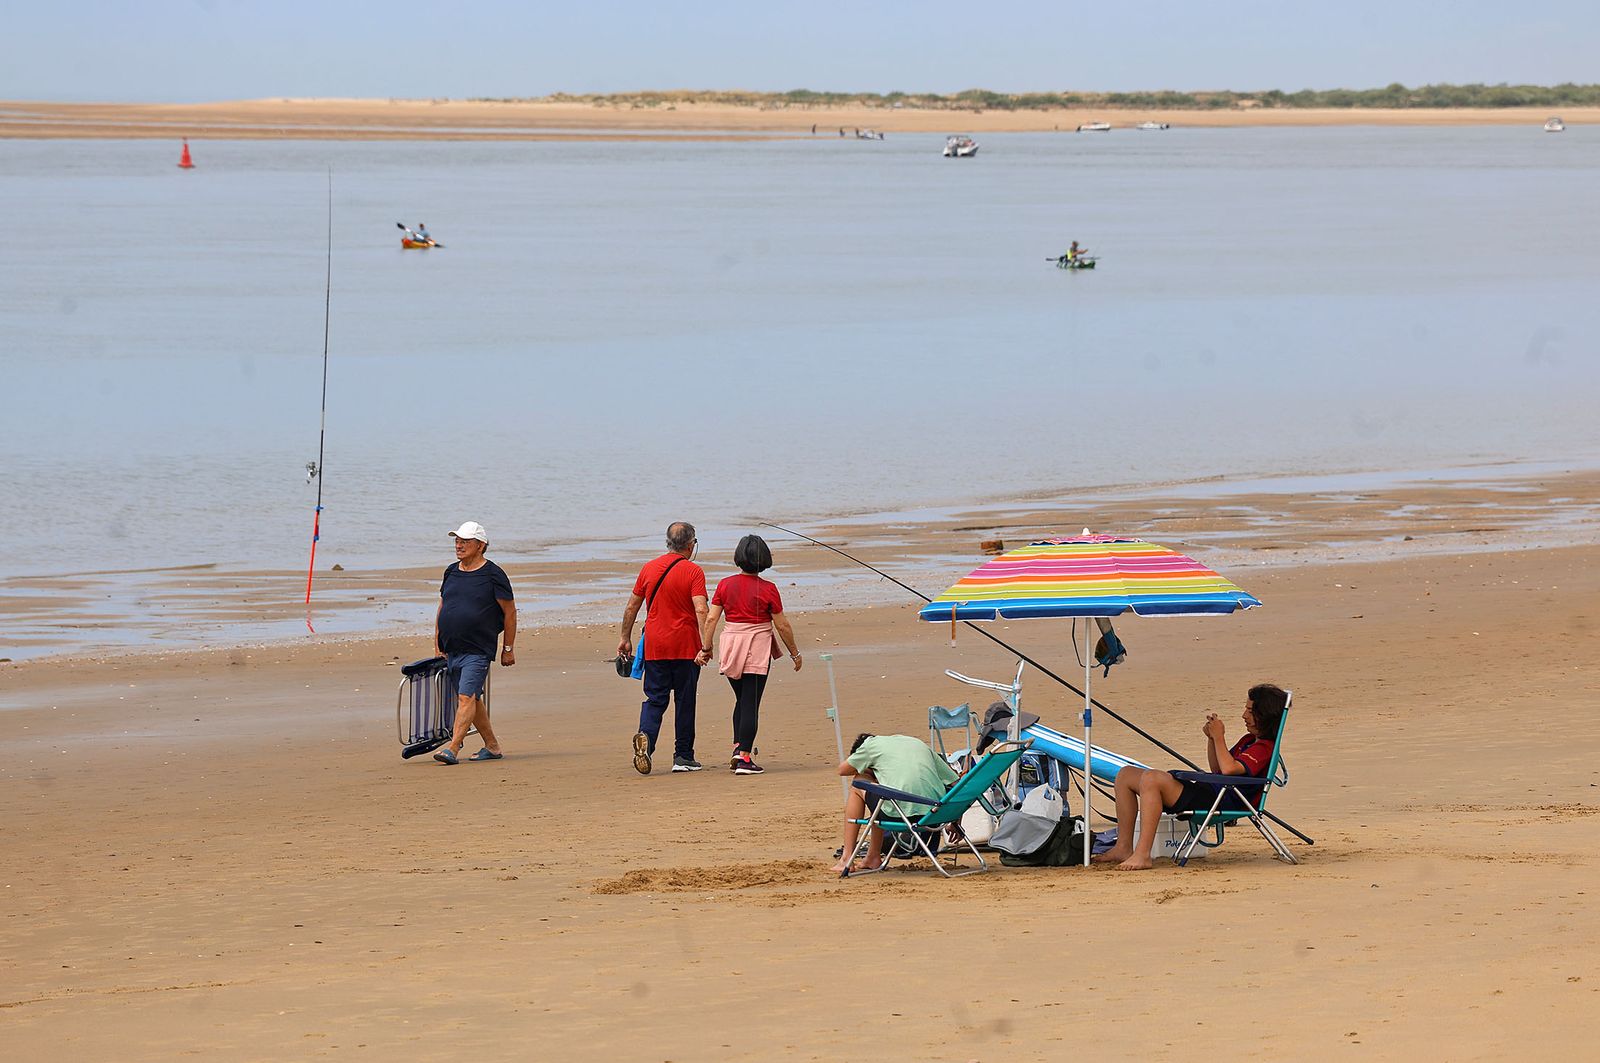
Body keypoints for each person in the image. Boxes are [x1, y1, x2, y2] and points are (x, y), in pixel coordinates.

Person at [1093, 683, 1289, 870]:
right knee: (1125, 775)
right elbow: (1218, 769)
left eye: (1250, 711)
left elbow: (1228, 770)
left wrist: (1219, 736)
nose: (1244, 715)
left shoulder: (1264, 748)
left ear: (1265, 715)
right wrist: (1212, 739)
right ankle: (1123, 847)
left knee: (1151, 779)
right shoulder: (1248, 740)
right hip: (1212, 793)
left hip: (1221, 801)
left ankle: (1142, 854)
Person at [699, 534, 801, 776]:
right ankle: (744, 757)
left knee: (742, 700)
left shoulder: (725, 584)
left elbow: (711, 618)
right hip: (756, 646)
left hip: (731, 644)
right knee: (750, 702)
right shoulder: (768, 589)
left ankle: (738, 747)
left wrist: (706, 648)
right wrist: (794, 653)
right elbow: (782, 625)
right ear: (763, 559)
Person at [617, 522, 709, 775]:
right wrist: (706, 644)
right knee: (685, 699)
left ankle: (646, 737)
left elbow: (632, 606)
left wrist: (625, 637)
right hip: (686, 646)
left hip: (655, 644)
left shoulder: (649, 568)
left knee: (656, 698)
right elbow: (701, 608)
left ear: (668, 542)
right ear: (690, 545)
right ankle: (683, 756)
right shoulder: (693, 571)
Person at [431, 521, 516, 765]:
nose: (459, 545)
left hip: (478, 649)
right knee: (472, 699)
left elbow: (510, 612)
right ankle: (492, 746)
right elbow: (443, 607)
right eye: (457, 541)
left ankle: (453, 748)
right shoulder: (451, 571)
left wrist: (507, 648)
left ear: (480, 545)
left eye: (465, 541)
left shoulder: (493, 574)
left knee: (466, 697)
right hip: (452, 648)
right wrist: (437, 643)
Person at [829, 733, 958, 874]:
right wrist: (956, 821)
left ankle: (846, 858)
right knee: (878, 790)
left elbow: (842, 770)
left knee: (859, 782)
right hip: (936, 817)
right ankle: (872, 857)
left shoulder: (870, 745)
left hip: (900, 815)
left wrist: (866, 769)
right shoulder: (917, 743)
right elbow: (957, 784)